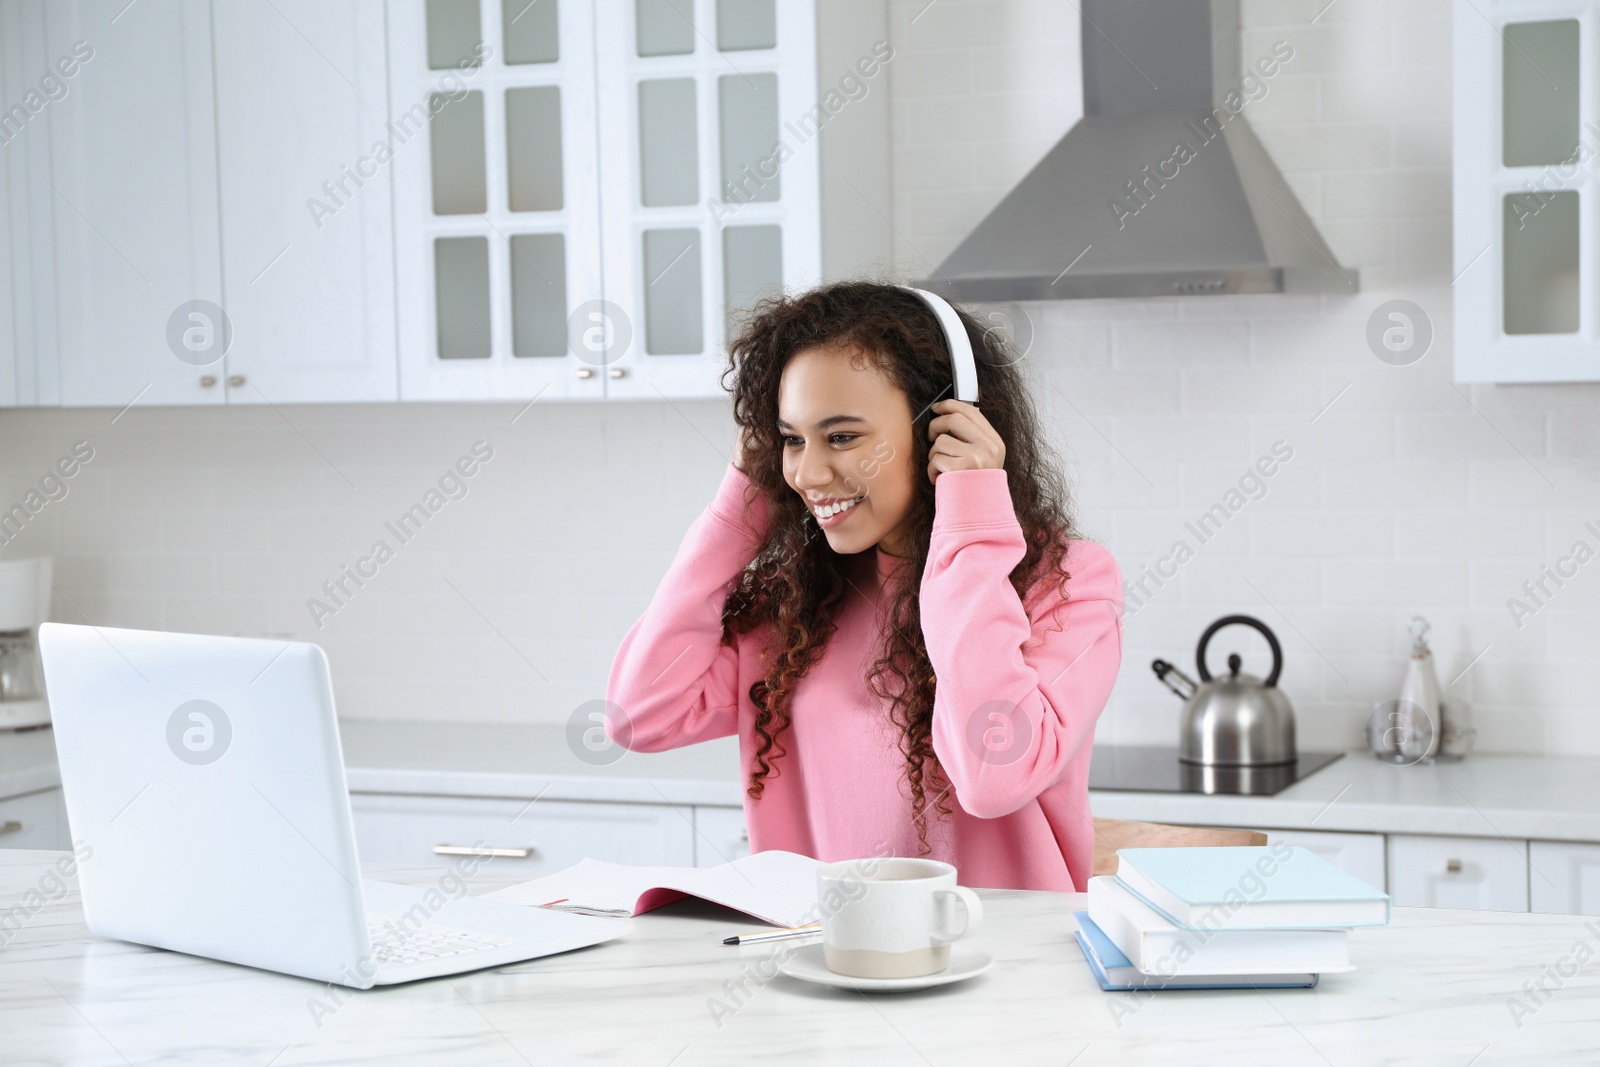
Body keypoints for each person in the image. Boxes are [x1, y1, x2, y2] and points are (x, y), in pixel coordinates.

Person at [606, 281, 1123, 891]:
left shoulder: (1067, 584)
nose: (806, 473)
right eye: (791, 440)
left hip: (1010, 974)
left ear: (946, 432)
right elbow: (637, 717)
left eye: (842, 437)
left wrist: (974, 519)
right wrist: (739, 508)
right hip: (829, 965)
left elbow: (993, 780)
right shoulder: (799, 604)